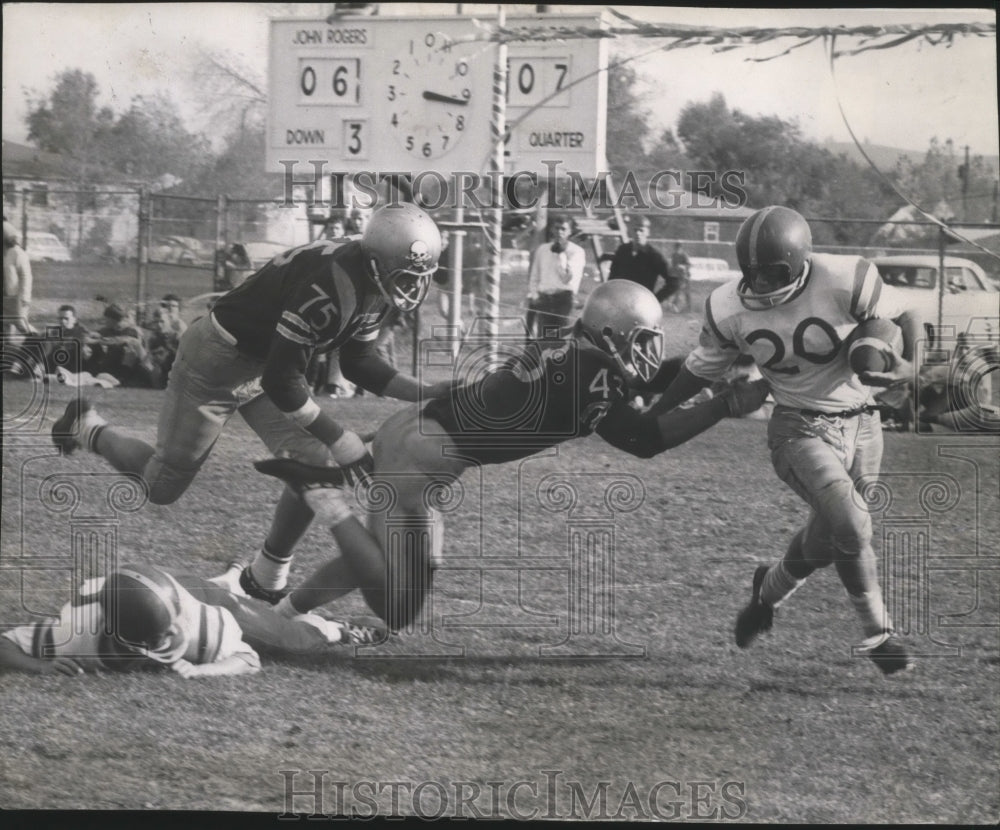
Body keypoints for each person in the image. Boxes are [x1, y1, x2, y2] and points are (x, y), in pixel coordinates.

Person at [234, 281, 770, 633]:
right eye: (643, 338)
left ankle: (284, 613)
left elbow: (645, 378)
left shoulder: (574, 349)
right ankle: (323, 497)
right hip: (420, 455)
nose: (649, 349)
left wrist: (712, 366)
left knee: (403, 569)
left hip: (420, 438)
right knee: (397, 604)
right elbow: (643, 439)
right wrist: (721, 404)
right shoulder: (591, 370)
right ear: (612, 334)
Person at [51, 203, 452, 606]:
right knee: (162, 486)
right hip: (218, 361)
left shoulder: (370, 269)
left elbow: (358, 362)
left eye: (420, 275)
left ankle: (265, 578)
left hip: (265, 364)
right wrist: (342, 438)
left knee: (315, 462)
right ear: (376, 263)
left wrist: (424, 391)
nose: (412, 286)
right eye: (403, 274)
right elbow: (283, 381)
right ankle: (86, 426)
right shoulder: (333, 285)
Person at [648, 205, 923, 675]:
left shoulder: (845, 277)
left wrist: (910, 365)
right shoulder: (727, 305)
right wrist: (657, 411)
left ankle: (768, 591)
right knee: (853, 525)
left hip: (864, 425)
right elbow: (701, 367)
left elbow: (906, 311)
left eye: (771, 272)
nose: (759, 283)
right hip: (798, 426)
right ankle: (879, 634)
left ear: (799, 262)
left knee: (831, 536)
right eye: (750, 272)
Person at [0, 562, 381, 677]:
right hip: (142, 592)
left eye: (168, 635)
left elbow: (250, 659)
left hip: (188, 595)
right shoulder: (75, 633)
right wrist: (39, 666)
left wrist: (201, 671)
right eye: (158, 639)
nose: (170, 642)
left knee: (286, 640)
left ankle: (335, 629)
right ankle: (233, 580)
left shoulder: (197, 628)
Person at [525, 216, 585, 338]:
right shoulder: (542, 249)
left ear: (570, 231)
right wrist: (535, 295)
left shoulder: (576, 252)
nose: (559, 232)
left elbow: (567, 279)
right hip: (544, 300)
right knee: (544, 340)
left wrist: (561, 255)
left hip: (563, 301)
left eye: (563, 229)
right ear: (552, 229)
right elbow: (534, 276)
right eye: (557, 228)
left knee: (563, 340)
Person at [604, 217, 679, 305]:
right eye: (635, 230)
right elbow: (612, 278)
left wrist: (655, 300)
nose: (638, 233)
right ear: (630, 231)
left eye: (641, 230)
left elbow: (674, 282)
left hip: (641, 306)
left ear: (648, 232)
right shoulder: (622, 250)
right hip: (620, 303)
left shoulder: (654, 255)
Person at [3, 219, 34, 341]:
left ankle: (40, 341)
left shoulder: (17, 253)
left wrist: (25, 297)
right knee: (4, 326)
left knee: (21, 324)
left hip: (16, 297)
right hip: (5, 295)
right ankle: (6, 353)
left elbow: (26, 276)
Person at [670, 242, 692, 312]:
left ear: (681, 248)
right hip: (677, 276)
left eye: (678, 248)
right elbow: (673, 265)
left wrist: (683, 267)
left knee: (686, 292)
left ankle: (688, 307)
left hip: (685, 276)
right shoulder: (673, 255)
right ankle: (674, 306)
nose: (677, 249)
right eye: (676, 248)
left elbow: (689, 265)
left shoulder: (684, 255)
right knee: (677, 291)